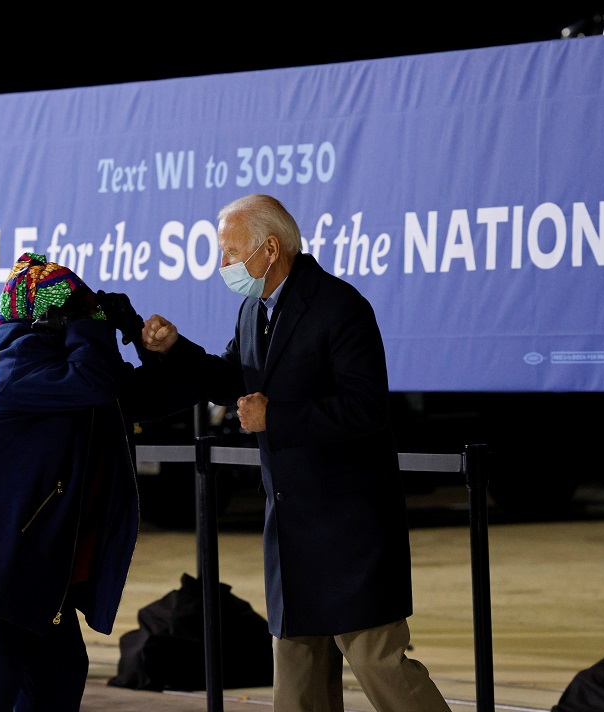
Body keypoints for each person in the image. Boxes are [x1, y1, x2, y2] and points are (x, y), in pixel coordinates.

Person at [141, 194, 451, 711]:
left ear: (269, 248)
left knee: (378, 661)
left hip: (350, 524)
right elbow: (229, 378)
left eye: (230, 252)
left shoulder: (340, 306)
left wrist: (276, 416)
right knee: (297, 671)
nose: (223, 265)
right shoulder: (253, 309)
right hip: (290, 524)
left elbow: (366, 407)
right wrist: (174, 350)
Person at [0, 252, 192, 711]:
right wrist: (93, 324)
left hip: (29, 559)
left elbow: (157, 396)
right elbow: (93, 381)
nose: (91, 315)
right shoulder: (19, 365)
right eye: (79, 308)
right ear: (51, 319)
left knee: (58, 676)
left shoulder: (75, 368)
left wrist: (143, 340)